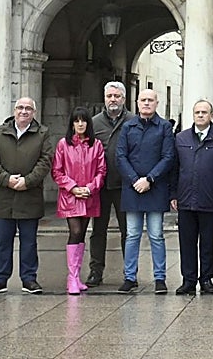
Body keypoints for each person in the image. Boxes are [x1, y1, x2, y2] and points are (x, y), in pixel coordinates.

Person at [0, 97, 53, 295]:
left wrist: (27, 181)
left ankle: (29, 279)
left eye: (28, 108)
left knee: (29, 242)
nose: (24, 111)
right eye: (20, 108)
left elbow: (46, 160)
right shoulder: (0, 132)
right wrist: (7, 179)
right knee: (2, 241)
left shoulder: (42, 133)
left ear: (34, 113)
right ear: (14, 110)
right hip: (5, 196)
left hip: (30, 196)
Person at [116, 88, 175, 294]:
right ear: (137, 103)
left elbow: (168, 157)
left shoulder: (164, 127)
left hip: (155, 188)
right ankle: (129, 277)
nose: (147, 103)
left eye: (150, 100)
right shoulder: (127, 127)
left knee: (156, 235)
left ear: (157, 103)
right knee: (132, 234)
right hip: (133, 188)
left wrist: (150, 179)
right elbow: (120, 156)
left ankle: (160, 277)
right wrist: (135, 180)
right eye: (143, 100)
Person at [170, 100, 213, 295]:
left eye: (205, 112)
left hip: (210, 199)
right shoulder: (181, 138)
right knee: (187, 243)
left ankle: (206, 279)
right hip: (186, 199)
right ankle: (188, 280)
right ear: (193, 115)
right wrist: (173, 194)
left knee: (207, 243)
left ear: (211, 116)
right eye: (197, 112)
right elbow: (174, 169)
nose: (201, 115)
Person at [52, 106, 106, 296]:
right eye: (76, 120)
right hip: (70, 196)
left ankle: (77, 277)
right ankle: (72, 277)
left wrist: (90, 188)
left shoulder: (96, 145)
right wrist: (73, 187)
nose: (80, 124)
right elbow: (57, 171)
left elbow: (101, 170)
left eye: (83, 120)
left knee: (82, 233)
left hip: (89, 196)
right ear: (72, 124)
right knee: (74, 231)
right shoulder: (63, 144)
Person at [88, 81, 134, 286]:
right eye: (109, 96)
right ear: (104, 98)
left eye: (116, 96)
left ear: (123, 98)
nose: (113, 100)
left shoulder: (133, 121)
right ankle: (95, 271)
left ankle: (130, 272)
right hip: (100, 186)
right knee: (98, 230)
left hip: (125, 185)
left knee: (128, 231)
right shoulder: (94, 123)